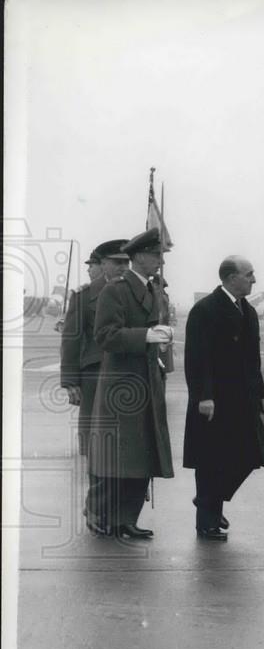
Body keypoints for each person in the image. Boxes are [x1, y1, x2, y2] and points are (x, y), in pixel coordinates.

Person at [183, 256, 264, 540]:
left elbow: (252, 362)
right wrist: (203, 397)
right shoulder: (205, 310)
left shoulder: (248, 311)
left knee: (250, 455)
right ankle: (207, 521)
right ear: (230, 278)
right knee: (211, 461)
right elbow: (197, 359)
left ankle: (209, 501)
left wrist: (262, 398)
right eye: (249, 274)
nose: (254, 279)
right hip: (214, 401)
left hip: (243, 401)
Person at [88, 228, 174, 539]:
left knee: (142, 455)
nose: (160, 262)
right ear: (137, 257)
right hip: (121, 384)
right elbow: (106, 336)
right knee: (117, 456)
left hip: (147, 379)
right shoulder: (116, 291)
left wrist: (161, 343)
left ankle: (126, 518)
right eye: (155, 256)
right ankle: (100, 514)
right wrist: (145, 336)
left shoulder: (154, 292)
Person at [61, 239, 130, 462]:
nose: (122, 267)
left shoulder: (135, 293)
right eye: (116, 262)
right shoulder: (84, 296)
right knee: (94, 440)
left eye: (126, 262)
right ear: (102, 264)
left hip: (129, 372)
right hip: (95, 373)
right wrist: (70, 381)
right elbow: (71, 340)